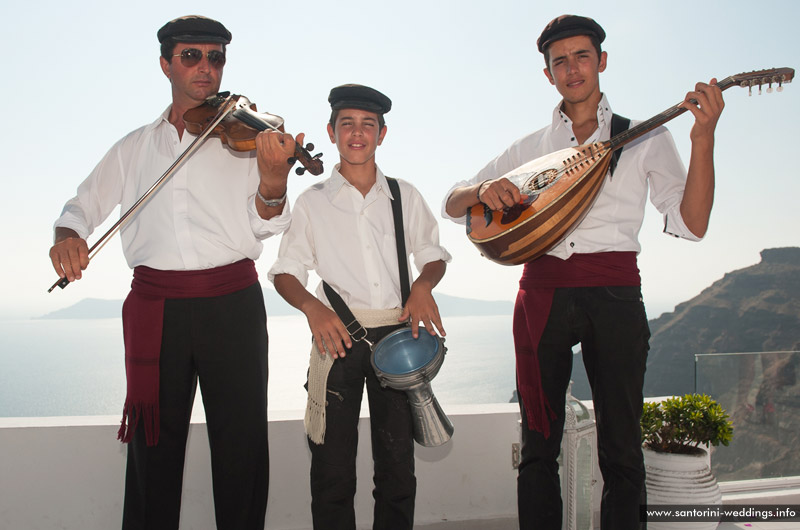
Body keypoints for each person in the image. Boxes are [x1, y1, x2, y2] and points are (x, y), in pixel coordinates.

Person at [442, 14, 724, 530]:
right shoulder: (530, 148)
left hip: (614, 294)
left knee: (621, 449)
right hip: (542, 291)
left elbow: (692, 223)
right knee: (537, 445)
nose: (572, 69)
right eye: (560, 61)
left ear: (602, 62)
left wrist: (702, 138)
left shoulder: (643, 137)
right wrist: (482, 191)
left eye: (582, 56)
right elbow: (452, 202)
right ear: (548, 74)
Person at [48, 15, 301, 530]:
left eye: (216, 58)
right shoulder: (134, 147)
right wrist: (67, 239)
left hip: (232, 303)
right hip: (157, 307)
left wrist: (274, 182)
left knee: (242, 445)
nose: (206, 68)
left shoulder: (248, 135)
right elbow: (78, 209)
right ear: (165, 64)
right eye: (192, 56)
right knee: (152, 450)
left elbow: (265, 222)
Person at [269, 84, 451, 530]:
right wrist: (315, 309)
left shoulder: (404, 194)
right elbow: (285, 272)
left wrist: (424, 284)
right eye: (347, 124)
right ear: (330, 132)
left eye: (368, 124)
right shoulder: (312, 203)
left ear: (382, 134)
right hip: (339, 340)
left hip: (398, 339)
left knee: (397, 473)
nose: (357, 133)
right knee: (331, 476)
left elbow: (431, 254)